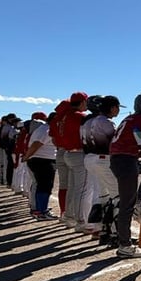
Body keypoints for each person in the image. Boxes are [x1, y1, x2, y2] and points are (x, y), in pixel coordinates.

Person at [109, 93, 141, 258]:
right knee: (126, 204)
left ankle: (138, 202)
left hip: (122, 159)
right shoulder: (139, 120)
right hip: (125, 160)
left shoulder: (132, 118)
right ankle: (125, 245)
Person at [83, 95, 121, 245]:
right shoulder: (107, 122)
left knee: (103, 196)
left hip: (89, 159)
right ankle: (117, 234)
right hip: (103, 159)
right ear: (112, 108)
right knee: (117, 197)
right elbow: (115, 143)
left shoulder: (87, 122)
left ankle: (102, 230)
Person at [57, 92, 90, 231]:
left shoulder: (65, 115)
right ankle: (81, 221)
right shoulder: (79, 116)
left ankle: (69, 215)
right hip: (78, 154)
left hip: (68, 152)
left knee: (72, 188)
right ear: (82, 101)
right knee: (81, 190)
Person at [25, 112, 59, 220]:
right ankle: (41, 211)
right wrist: (27, 156)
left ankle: (40, 209)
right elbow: (36, 144)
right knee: (44, 187)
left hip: (42, 160)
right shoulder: (47, 129)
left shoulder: (44, 128)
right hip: (42, 160)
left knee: (43, 186)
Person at [0, 114, 20, 187]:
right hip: (9, 148)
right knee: (8, 165)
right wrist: (6, 147)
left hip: (12, 149)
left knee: (12, 165)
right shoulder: (7, 127)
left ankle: (9, 181)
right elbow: (4, 139)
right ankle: (7, 181)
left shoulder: (13, 128)